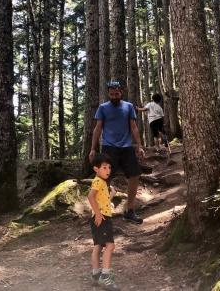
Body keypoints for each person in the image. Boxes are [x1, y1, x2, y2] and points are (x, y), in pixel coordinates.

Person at [89, 80, 145, 225]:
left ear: (121, 93)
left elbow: (133, 127)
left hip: (126, 147)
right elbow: (97, 129)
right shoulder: (103, 108)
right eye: (112, 94)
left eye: (117, 94)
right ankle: (101, 211)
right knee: (104, 179)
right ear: (108, 93)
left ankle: (130, 210)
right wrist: (93, 149)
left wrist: (139, 146)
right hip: (109, 147)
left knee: (134, 175)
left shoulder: (128, 107)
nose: (114, 96)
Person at [87, 153, 119, 290]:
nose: (108, 170)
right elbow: (90, 197)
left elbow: (103, 201)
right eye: (104, 168)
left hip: (100, 216)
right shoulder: (98, 181)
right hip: (102, 218)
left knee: (98, 246)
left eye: (109, 168)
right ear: (96, 169)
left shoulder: (102, 183)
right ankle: (105, 278)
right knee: (110, 246)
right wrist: (99, 215)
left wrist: (111, 195)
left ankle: (96, 275)